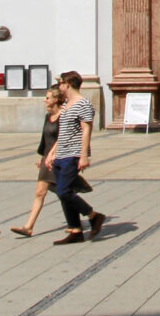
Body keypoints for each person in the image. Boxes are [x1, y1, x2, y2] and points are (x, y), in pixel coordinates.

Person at [11, 87, 87, 238]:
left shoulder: (63, 116)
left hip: (59, 157)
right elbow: (44, 138)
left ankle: (80, 219)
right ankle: (29, 226)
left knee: (62, 192)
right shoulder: (48, 117)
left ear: (55, 100)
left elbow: (64, 138)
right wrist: (42, 156)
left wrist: (53, 155)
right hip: (47, 158)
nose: (44, 100)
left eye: (47, 98)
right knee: (43, 192)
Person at [50, 70, 105, 244]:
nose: (59, 87)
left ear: (68, 84)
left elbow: (86, 129)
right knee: (65, 193)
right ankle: (75, 230)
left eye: (61, 83)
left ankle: (93, 215)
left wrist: (83, 156)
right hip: (61, 154)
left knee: (63, 191)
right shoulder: (66, 103)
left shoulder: (83, 104)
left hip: (73, 154)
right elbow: (63, 132)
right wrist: (52, 153)